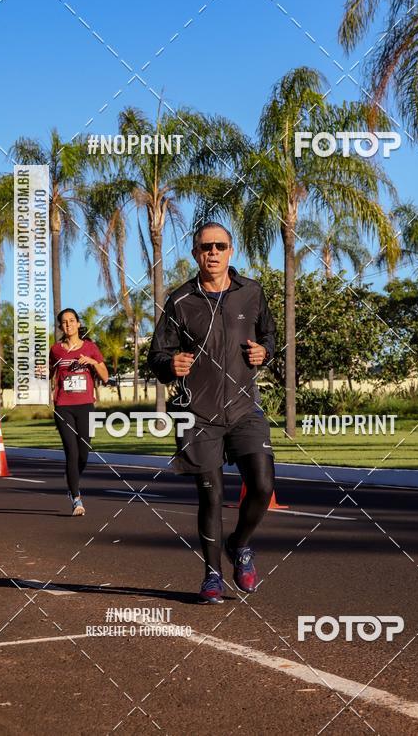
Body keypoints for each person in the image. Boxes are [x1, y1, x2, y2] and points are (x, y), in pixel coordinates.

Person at [148, 222, 277, 604]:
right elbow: (157, 355)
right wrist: (171, 364)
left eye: (220, 246)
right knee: (211, 496)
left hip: (243, 407)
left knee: (264, 484)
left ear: (231, 251)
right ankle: (212, 576)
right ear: (195, 254)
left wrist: (264, 352)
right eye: (206, 247)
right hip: (198, 413)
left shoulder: (251, 292)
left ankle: (239, 544)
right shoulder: (180, 300)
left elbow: (269, 336)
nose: (213, 252)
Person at [49, 308, 109, 516]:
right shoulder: (56, 350)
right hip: (63, 406)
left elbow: (105, 376)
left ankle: (72, 481)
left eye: (72, 321)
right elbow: (48, 373)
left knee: (84, 453)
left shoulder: (90, 347)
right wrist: (40, 373)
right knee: (71, 453)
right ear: (61, 327)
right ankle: (76, 498)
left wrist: (92, 362)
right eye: (64, 322)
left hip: (86, 406)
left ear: (78, 323)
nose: (68, 325)